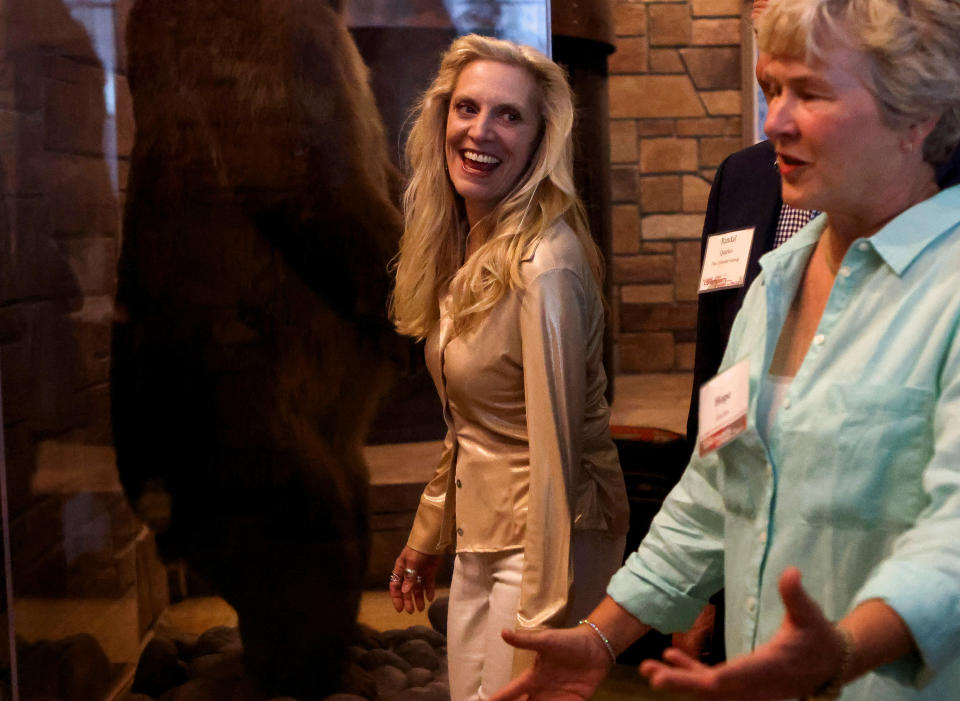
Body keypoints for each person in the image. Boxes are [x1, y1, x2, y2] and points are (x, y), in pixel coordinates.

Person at [491, 0, 960, 698]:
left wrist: (842, 650)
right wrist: (602, 634)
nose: (775, 120)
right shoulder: (778, 280)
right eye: (773, 90)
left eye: (811, 92)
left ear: (915, 116)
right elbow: (718, 484)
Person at [387, 34, 629, 701]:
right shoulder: (471, 244)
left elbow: (558, 455)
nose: (480, 131)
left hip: (551, 539)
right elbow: (472, 424)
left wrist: (544, 620)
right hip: (487, 530)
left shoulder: (543, 264)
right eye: (468, 108)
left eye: (509, 115)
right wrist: (429, 529)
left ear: (539, 138)